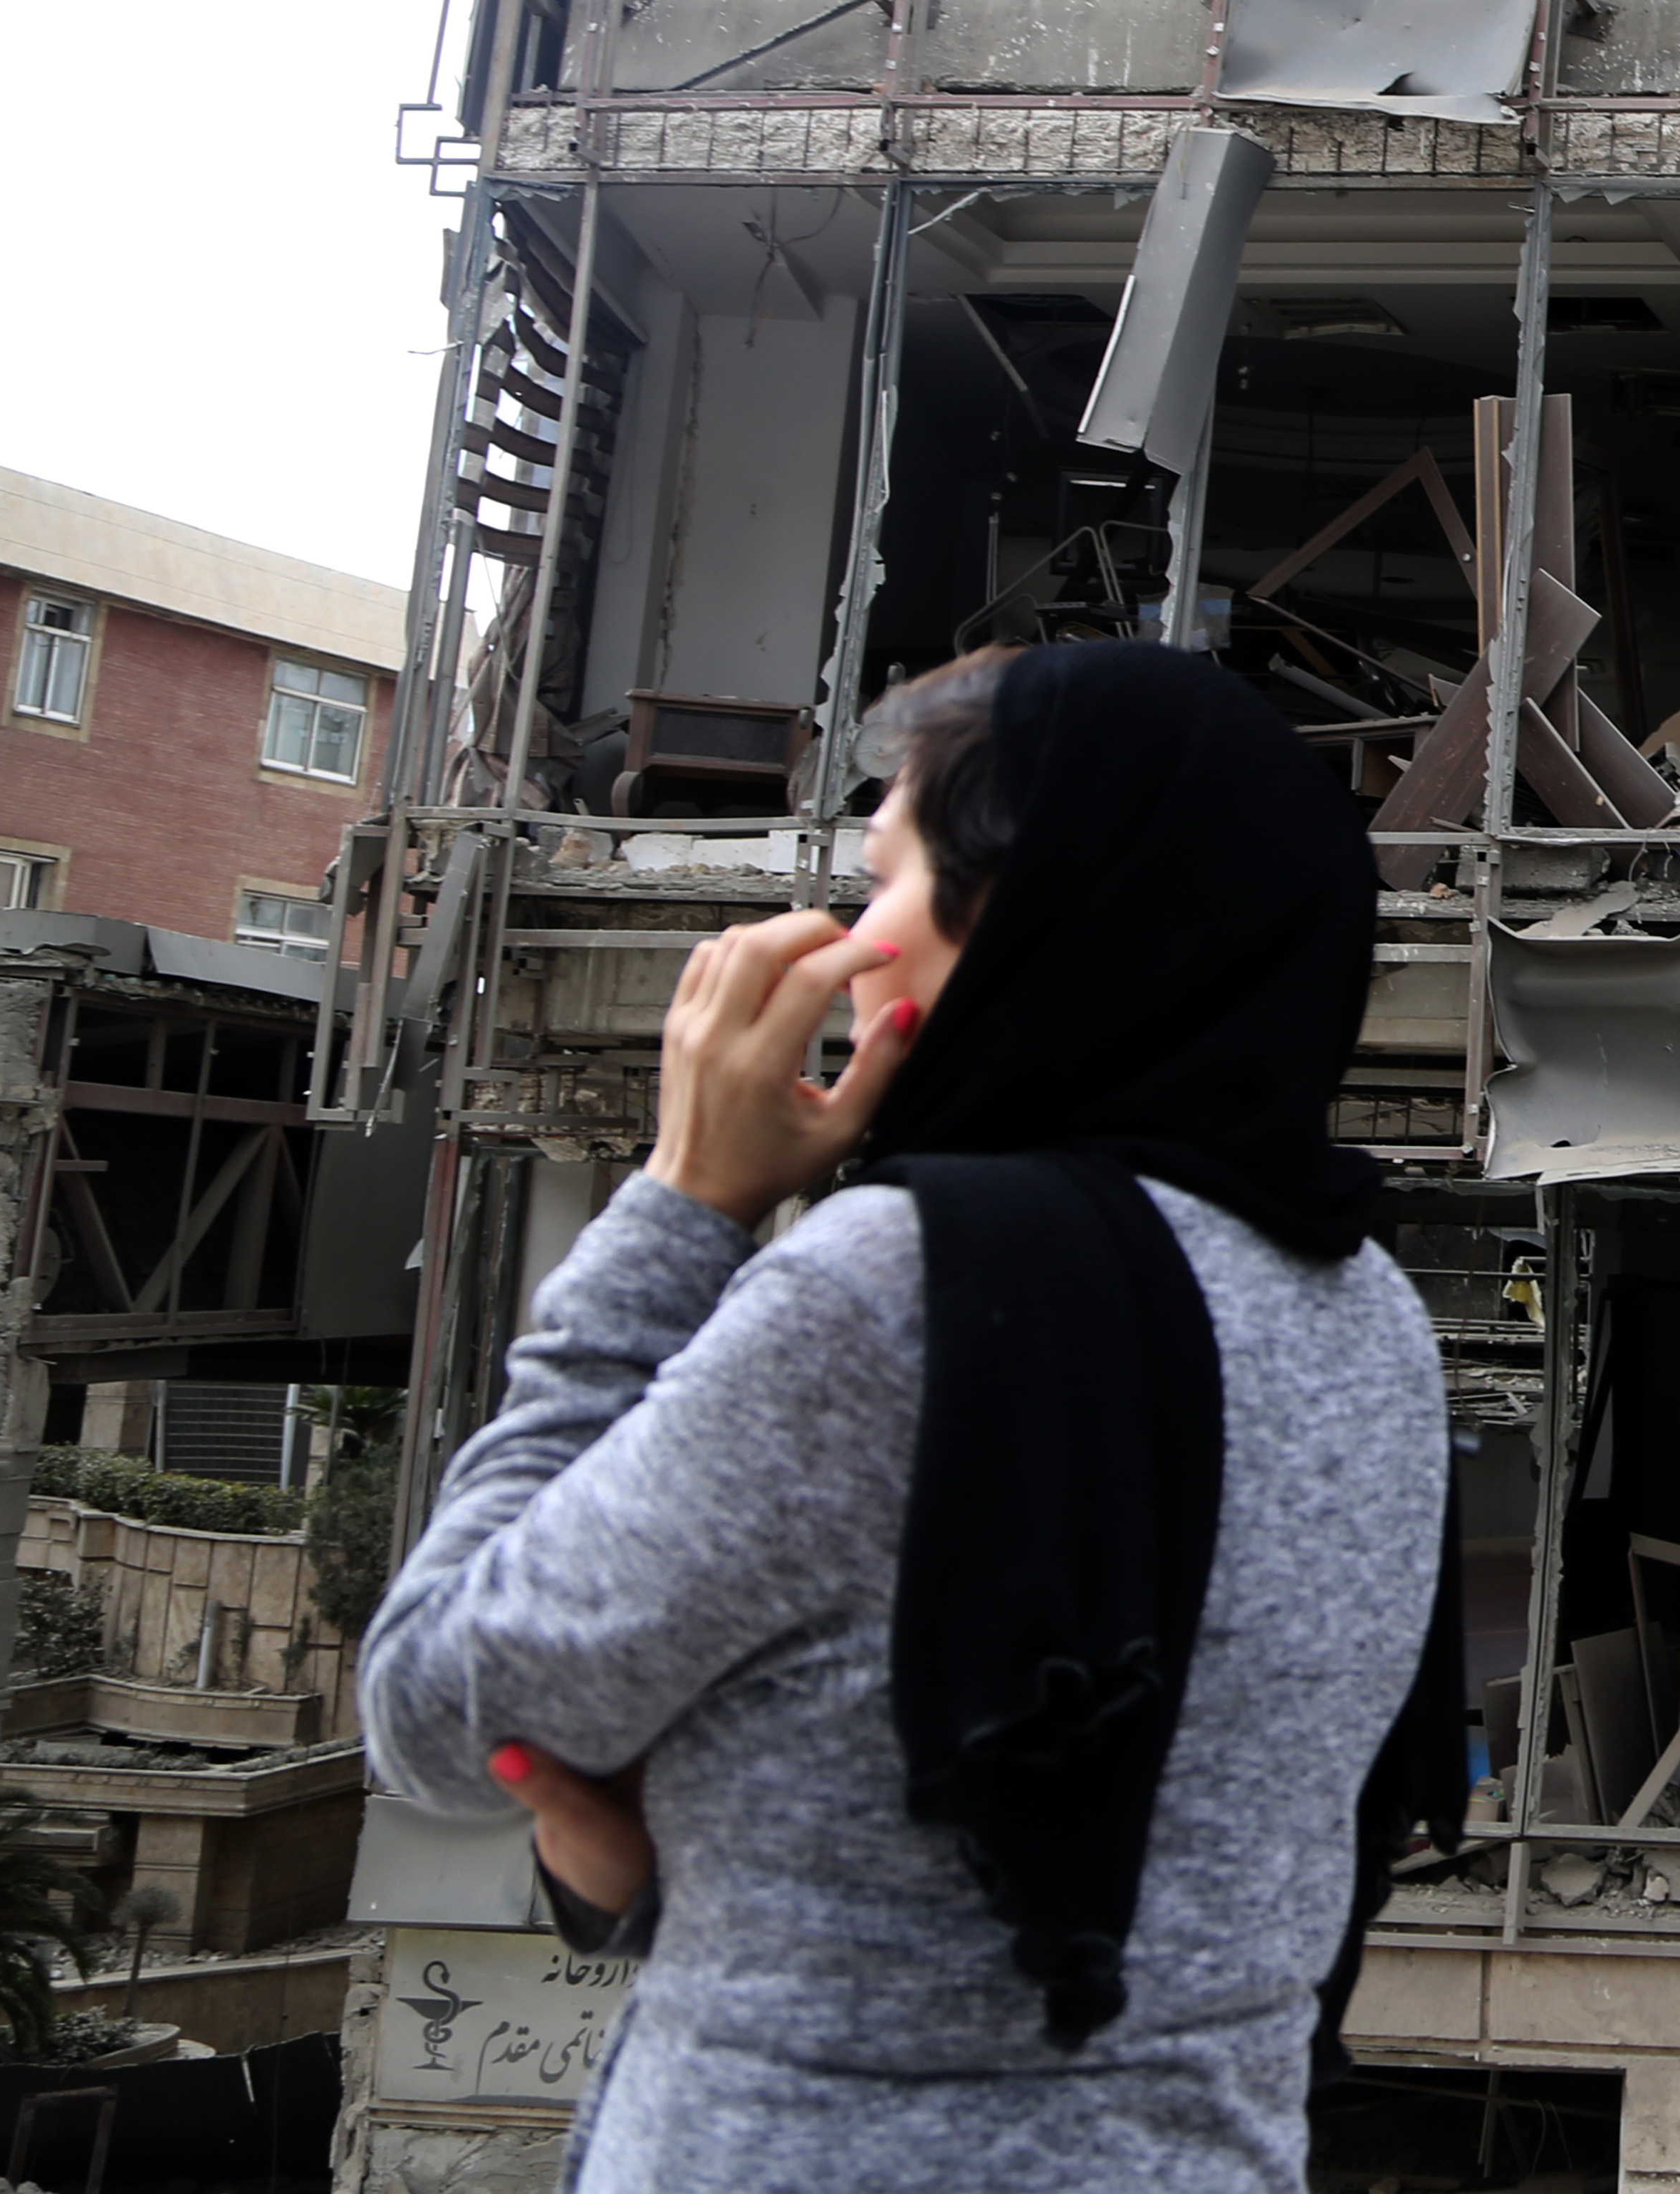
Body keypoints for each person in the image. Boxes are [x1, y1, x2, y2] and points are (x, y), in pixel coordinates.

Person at [365, 640, 1464, 2193]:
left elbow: (433, 1704)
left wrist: (681, 1206)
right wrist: (675, 1865)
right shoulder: (1372, 1324)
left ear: (1029, 921)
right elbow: (1028, 1873)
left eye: (882, 880)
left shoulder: (889, 1286)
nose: (841, 943)